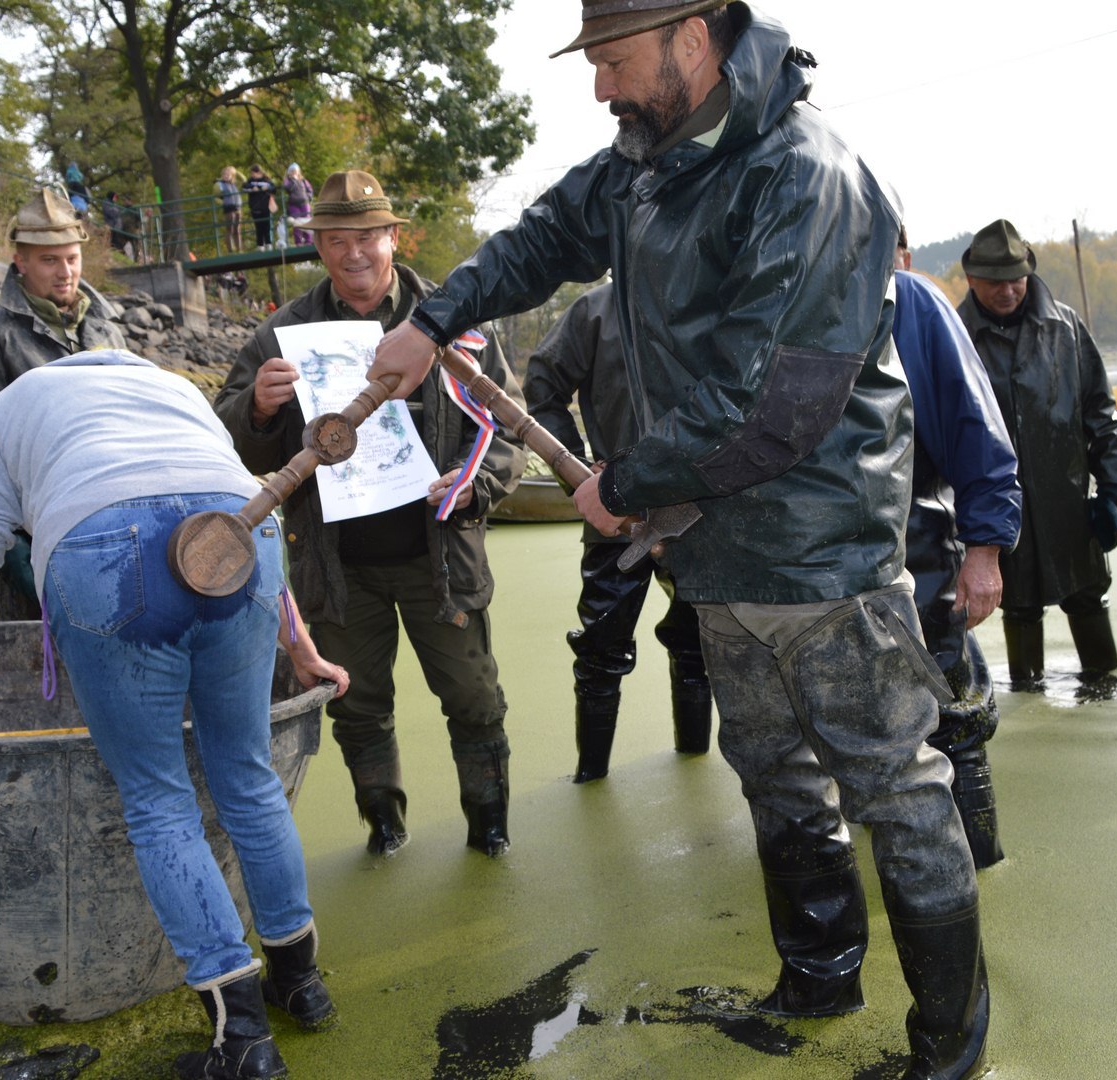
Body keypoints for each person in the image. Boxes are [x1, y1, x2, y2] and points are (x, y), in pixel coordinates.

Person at [367, 4, 989, 1076]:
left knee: (896, 784)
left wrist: (622, 482)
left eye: (611, 60)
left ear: (691, 41)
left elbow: (769, 403)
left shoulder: (804, 175)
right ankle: (820, 973)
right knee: (772, 772)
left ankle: (948, 1043)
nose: (598, 86)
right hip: (711, 550)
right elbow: (540, 241)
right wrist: (431, 319)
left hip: (821, 554)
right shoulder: (643, 161)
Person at [0, 349, 348, 1080]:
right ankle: (301, 987)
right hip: (246, 536)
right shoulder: (169, 388)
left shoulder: (1, 421)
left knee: (158, 803)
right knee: (247, 777)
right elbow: (231, 525)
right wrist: (300, 648)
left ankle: (241, 1040)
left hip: (109, 553)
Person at [214, 168, 526, 859]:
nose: (352, 253)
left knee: (474, 694)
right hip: (336, 565)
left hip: (440, 554)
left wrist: (478, 484)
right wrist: (258, 407)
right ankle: (382, 824)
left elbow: (507, 430)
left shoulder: (454, 318)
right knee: (356, 702)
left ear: (393, 236)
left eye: (366, 237)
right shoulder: (281, 333)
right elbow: (229, 437)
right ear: (317, 247)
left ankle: (488, 820)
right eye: (334, 240)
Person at [522, 282, 712, 783]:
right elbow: (541, 385)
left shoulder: (708, 295)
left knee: (698, 640)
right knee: (601, 644)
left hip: (698, 510)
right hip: (614, 511)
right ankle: (591, 772)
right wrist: (579, 471)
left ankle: (695, 754)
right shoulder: (595, 310)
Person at [892, 228, 1023, 869]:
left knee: (955, 714)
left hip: (917, 537)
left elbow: (980, 436)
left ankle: (980, 861)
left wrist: (986, 550)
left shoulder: (916, 304)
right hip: (812, 561)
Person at [956, 219, 1117, 689]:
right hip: (999, 509)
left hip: (1069, 498)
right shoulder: (955, 338)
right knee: (1021, 606)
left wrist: (1113, 490)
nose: (1009, 290)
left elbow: (1102, 413)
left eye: (1017, 278)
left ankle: (1104, 685)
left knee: (1087, 596)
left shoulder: (1067, 327)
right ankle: (1028, 690)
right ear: (971, 279)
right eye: (995, 281)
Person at [0, 188, 127, 621]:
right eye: (49, 261)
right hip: (34, 544)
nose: (65, 272)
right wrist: (24, 557)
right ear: (20, 262)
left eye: (72, 258)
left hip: (121, 535)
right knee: (44, 675)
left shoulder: (110, 332)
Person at [242, 165, 276, 250]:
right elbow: (244, 187)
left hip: (265, 207)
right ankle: (260, 245)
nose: (253, 175)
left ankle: (268, 243)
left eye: (255, 173)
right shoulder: (250, 181)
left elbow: (274, 188)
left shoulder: (267, 180)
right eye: (252, 173)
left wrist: (267, 188)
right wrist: (252, 188)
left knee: (267, 226)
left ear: (260, 173)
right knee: (258, 227)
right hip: (255, 207)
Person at [282, 164, 314, 246]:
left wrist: (308, 197)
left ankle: (308, 241)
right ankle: (298, 242)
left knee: (307, 221)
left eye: (295, 171)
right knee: (296, 223)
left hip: (304, 203)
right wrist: (292, 180)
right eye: (292, 171)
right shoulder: (288, 181)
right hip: (293, 204)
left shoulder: (303, 181)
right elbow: (286, 187)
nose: (294, 172)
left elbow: (310, 190)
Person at [217, 166, 243, 253]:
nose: (227, 176)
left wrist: (235, 171)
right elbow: (216, 196)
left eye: (229, 174)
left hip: (237, 207)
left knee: (237, 229)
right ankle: (230, 250)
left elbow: (244, 180)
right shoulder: (220, 184)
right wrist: (222, 203)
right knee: (230, 228)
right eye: (225, 174)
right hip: (228, 208)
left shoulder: (234, 184)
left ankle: (239, 249)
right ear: (222, 175)